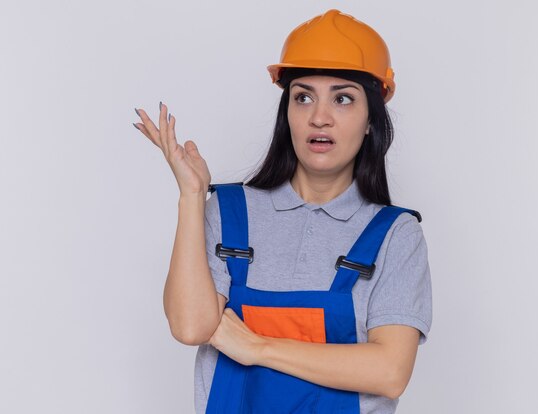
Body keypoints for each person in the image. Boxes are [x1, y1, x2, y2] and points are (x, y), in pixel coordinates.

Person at [132, 9, 432, 414]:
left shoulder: (394, 235)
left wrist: (256, 346)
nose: (319, 117)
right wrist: (192, 196)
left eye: (343, 98)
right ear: (286, 112)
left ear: (369, 121)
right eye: (303, 96)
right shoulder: (229, 212)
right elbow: (191, 326)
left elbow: (390, 371)